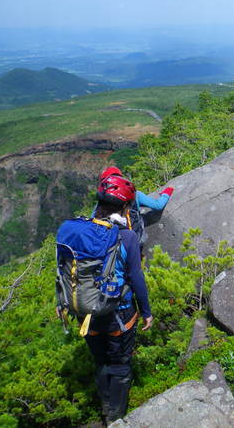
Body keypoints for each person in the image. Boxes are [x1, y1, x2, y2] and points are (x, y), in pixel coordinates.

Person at [57, 174, 153, 423]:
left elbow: (64, 270)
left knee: (100, 360)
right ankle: (115, 416)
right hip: (119, 313)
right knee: (120, 362)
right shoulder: (127, 237)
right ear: (124, 206)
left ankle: (105, 406)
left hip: (85, 312)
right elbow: (136, 278)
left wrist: (62, 302)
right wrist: (146, 311)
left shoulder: (74, 231)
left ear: (98, 202)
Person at [97, 166, 173, 247]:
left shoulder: (101, 201)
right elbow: (158, 206)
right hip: (133, 239)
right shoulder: (135, 195)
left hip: (107, 243)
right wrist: (166, 193)